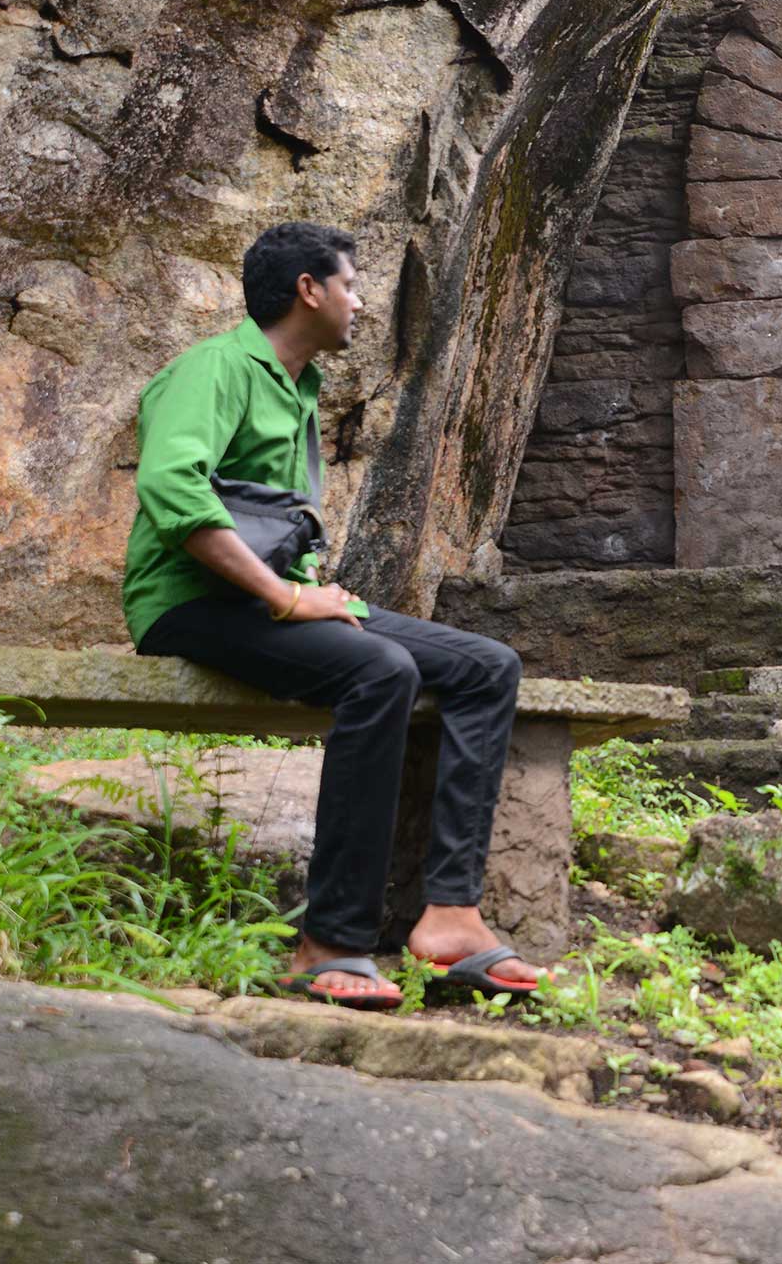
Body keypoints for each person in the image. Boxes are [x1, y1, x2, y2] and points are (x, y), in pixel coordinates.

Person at [124, 221, 544, 1010]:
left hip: (272, 600)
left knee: (488, 666)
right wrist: (287, 597)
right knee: (380, 669)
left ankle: (451, 914)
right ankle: (332, 940)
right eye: (350, 284)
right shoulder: (214, 368)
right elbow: (174, 489)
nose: (360, 302)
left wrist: (306, 590)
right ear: (308, 289)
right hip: (188, 604)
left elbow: (276, 522)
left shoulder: (301, 387)